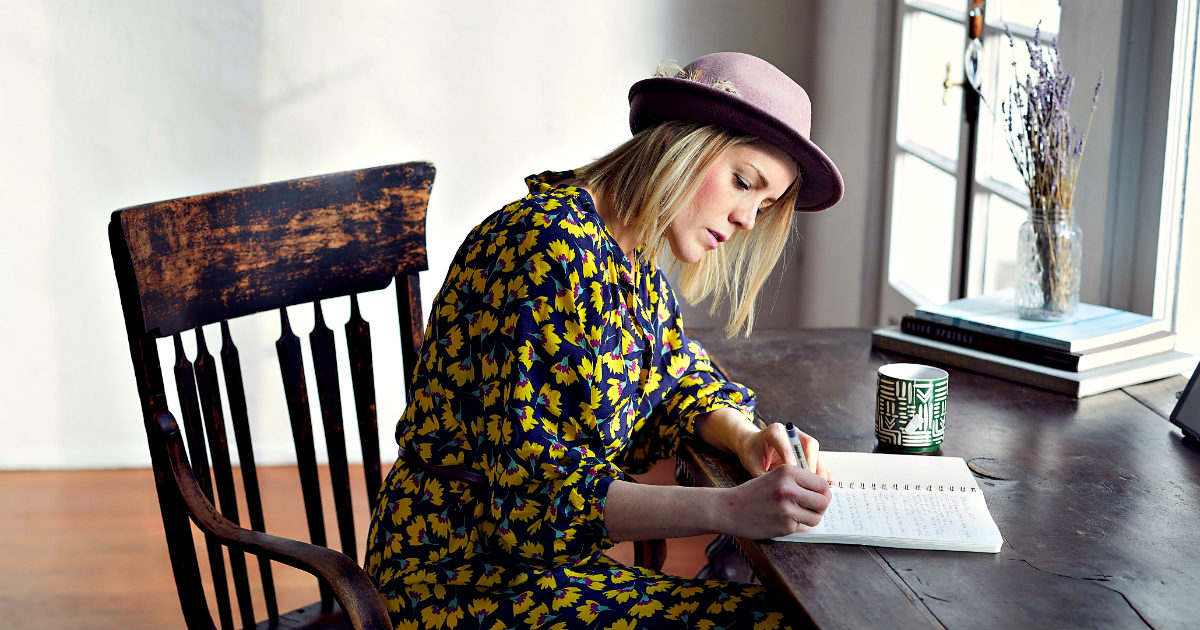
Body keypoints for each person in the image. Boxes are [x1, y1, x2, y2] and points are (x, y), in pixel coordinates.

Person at [364, 51, 845, 629]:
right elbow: (536, 504)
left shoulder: (628, 258)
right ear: (678, 143)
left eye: (763, 205)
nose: (747, 218)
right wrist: (729, 508)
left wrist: (744, 436)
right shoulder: (545, 251)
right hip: (457, 581)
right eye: (743, 182)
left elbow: (675, 378)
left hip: (538, 572)